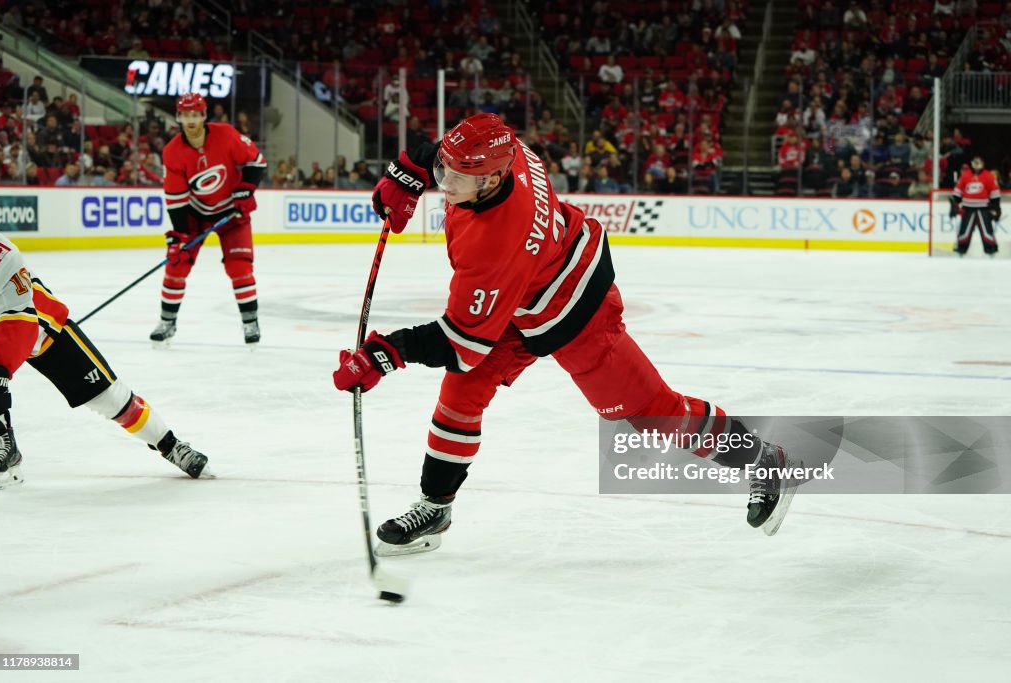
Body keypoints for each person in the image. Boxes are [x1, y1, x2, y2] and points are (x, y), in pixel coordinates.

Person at [335, 114, 799, 556]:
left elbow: (460, 345)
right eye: (443, 170)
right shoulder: (504, 150)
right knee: (461, 394)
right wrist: (410, 170)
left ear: (491, 181)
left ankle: (762, 459)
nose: (445, 184)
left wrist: (385, 353)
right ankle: (436, 508)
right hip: (523, 292)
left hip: (575, 309)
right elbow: (457, 148)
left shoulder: (495, 242)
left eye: (455, 177)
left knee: (652, 413)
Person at [0, 226, 211, 489]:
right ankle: (1, 440)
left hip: (40, 329)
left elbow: (19, 325)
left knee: (111, 399)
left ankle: (170, 444)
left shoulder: (1, 257)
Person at [151, 93, 267, 347]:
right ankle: (167, 322)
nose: (191, 120)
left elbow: (256, 161)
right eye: (185, 115)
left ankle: (250, 322)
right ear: (179, 117)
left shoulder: (225, 134)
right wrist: (180, 236)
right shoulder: (172, 152)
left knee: (240, 268)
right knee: (176, 267)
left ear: (204, 116)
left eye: (196, 114)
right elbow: (176, 198)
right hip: (195, 215)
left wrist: (246, 189)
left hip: (231, 214)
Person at [950, 156, 1001, 256]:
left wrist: (996, 207)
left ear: (982, 164)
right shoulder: (965, 176)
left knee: (987, 229)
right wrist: (955, 203)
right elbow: (958, 191)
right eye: (975, 163)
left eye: (979, 163)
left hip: (983, 208)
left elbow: (994, 192)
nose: (977, 166)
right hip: (967, 208)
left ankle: (990, 248)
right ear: (972, 164)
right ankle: (961, 247)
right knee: (964, 229)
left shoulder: (989, 176)